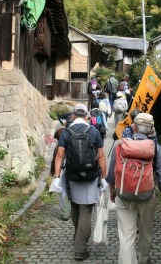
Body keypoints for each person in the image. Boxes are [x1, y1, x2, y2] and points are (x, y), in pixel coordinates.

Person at [108, 113, 161, 264]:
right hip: (147, 196)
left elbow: (111, 174)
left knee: (126, 236)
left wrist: (112, 192)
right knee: (146, 233)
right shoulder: (156, 148)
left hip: (123, 195)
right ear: (151, 130)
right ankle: (143, 260)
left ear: (134, 126)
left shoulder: (121, 145)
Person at [53, 103, 108, 261]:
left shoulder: (66, 132)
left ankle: (78, 236)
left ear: (72, 116)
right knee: (86, 211)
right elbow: (102, 156)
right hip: (91, 176)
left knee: (75, 206)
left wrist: (57, 177)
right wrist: (103, 178)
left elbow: (59, 156)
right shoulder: (94, 131)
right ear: (87, 116)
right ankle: (80, 249)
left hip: (72, 175)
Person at [49, 127, 70, 221]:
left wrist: (53, 173)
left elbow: (55, 161)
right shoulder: (71, 145)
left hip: (61, 172)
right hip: (71, 171)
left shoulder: (58, 148)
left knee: (63, 193)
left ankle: (65, 213)